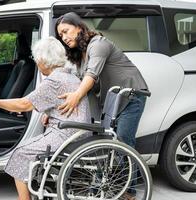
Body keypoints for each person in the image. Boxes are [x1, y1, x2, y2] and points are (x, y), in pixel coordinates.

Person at [55, 12, 149, 199]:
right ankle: (122, 184)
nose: (64, 38)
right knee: (110, 143)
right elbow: (75, 79)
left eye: (66, 31)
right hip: (114, 101)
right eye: (61, 36)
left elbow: (91, 75)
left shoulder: (98, 44)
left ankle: (128, 193)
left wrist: (77, 96)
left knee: (123, 141)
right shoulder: (80, 55)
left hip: (131, 95)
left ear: (79, 27)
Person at [0, 36, 91, 200]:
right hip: (74, 130)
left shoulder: (54, 80)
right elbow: (55, 102)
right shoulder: (69, 76)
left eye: (37, 59)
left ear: (44, 61)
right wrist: (49, 114)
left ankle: (24, 198)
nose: (37, 63)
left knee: (20, 152)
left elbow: (24, 104)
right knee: (28, 147)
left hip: (67, 134)